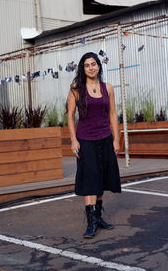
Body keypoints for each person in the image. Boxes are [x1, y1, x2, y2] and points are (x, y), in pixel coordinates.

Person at [67, 52, 121, 239]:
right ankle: (91, 223)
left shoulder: (108, 87)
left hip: (105, 138)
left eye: (94, 64)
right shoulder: (76, 88)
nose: (91, 67)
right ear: (83, 68)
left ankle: (98, 217)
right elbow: (70, 116)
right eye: (87, 65)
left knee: (101, 178)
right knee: (90, 180)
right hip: (85, 140)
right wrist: (73, 140)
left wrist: (116, 139)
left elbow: (113, 114)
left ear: (99, 66)